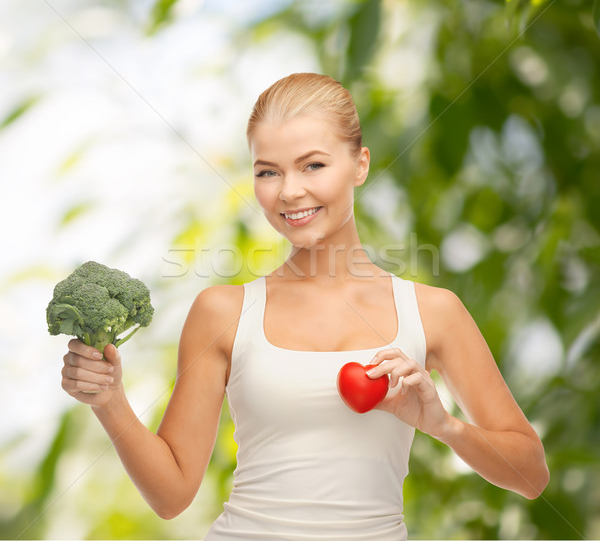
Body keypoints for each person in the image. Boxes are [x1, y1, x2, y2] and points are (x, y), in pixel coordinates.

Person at [61, 73, 550, 540]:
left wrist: (444, 426)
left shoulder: (433, 312)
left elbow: (531, 475)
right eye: (268, 172)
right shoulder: (223, 313)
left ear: (360, 164)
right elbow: (172, 496)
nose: (289, 191)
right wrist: (110, 401)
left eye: (313, 165)